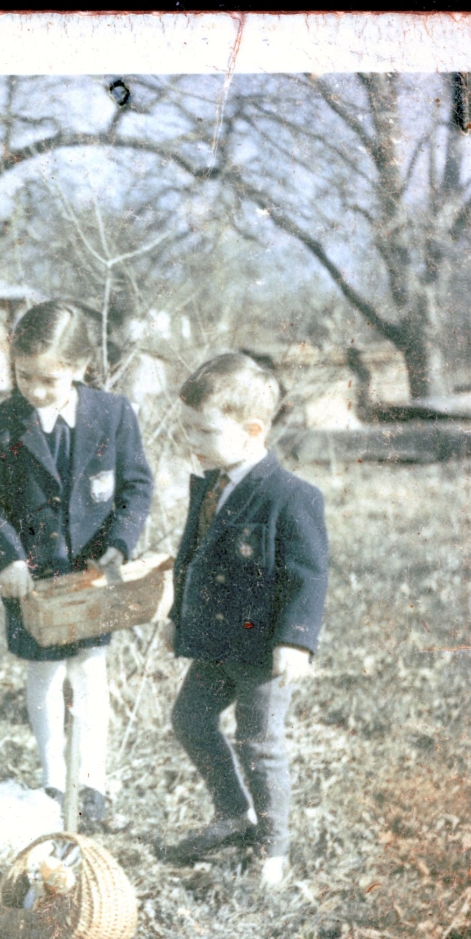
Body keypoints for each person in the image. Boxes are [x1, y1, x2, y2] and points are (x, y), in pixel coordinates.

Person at [0, 301, 154, 826]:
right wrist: (7, 559)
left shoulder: (113, 414)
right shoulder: (0, 425)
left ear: (78, 367)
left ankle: (91, 781)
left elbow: (136, 486)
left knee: (91, 675)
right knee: (45, 675)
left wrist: (120, 541)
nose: (35, 389)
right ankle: (54, 778)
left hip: (92, 574)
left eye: (48, 379)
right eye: (23, 376)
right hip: (33, 578)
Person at [156, 353, 329, 888]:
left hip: (262, 649)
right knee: (190, 718)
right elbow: (192, 557)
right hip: (214, 642)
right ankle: (234, 814)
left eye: (204, 430)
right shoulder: (211, 484)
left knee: (259, 742)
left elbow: (308, 575)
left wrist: (297, 642)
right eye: (186, 428)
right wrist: (176, 617)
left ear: (254, 430)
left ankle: (272, 853)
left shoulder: (291, 496)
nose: (193, 440)